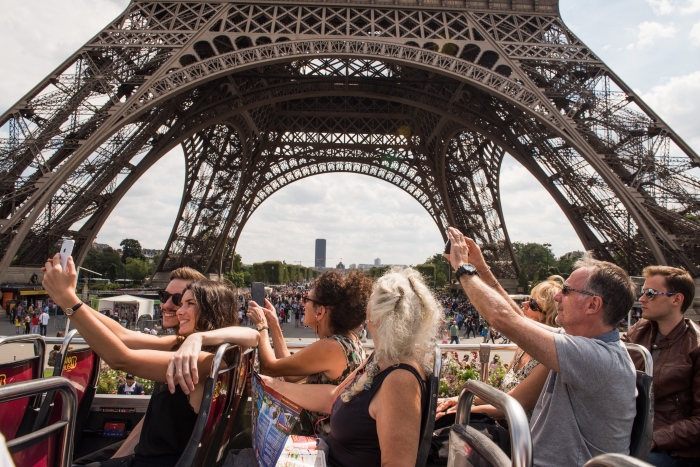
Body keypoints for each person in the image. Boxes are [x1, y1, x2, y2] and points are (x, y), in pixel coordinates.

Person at [445, 227, 637, 466]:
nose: (558, 297)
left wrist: (463, 269)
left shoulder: (596, 357)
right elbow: (518, 318)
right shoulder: (585, 344)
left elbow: (504, 320)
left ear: (593, 305)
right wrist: (481, 267)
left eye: (566, 291)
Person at [42, 255, 258, 467]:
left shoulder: (201, 359)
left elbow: (121, 359)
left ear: (211, 308)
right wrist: (71, 298)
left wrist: (67, 301)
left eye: (187, 303)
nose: (176, 309)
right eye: (174, 300)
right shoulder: (206, 352)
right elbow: (123, 335)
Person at [261, 267, 443, 466]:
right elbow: (333, 397)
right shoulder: (384, 359)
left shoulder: (400, 380)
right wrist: (272, 385)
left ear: (375, 313)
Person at [245, 270, 373, 436]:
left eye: (306, 299)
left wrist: (262, 327)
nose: (302, 303)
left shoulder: (331, 347)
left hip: (318, 439)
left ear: (320, 312)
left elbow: (270, 367)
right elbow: (290, 373)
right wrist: (274, 324)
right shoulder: (347, 341)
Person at [437, 276, 562, 421]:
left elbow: (512, 405)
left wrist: (454, 412)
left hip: (520, 434)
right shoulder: (522, 349)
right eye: (528, 299)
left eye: (533, 304)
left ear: (547, 317)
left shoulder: (548, 362)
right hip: (504, 423)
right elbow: (502, 396)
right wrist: (457, 399)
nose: (525, 303)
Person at [621, 266, 699, 467]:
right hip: (631, 435)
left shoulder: (696, 347)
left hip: (673, 451)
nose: (642, 299)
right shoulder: (639, 330)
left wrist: (653, 438)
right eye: (643, 292)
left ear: (676, 300)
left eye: (651, 293)